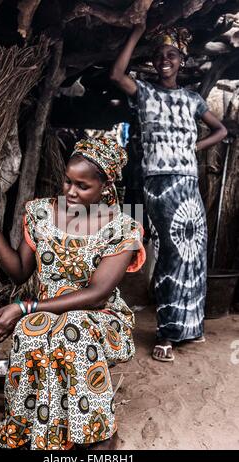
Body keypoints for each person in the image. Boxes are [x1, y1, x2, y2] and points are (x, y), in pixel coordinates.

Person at [0, 137, 146, 450]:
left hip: (99, 315)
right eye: (68, 181)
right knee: (31, 331)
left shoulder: (122, 227)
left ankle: (100, 436)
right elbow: (19, 271)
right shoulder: (41, 213)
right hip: (44, 310)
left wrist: (25, 307)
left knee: (71, 332)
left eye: (82, 186)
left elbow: (97, 294)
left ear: (105, 188)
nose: (70, 191)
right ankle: (34, 430)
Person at [110, 25, 227, 362]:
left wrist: (193, 147)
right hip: (159, 184)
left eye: (171, 55)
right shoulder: (145, 93)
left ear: (182, 60)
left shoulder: (193, 99)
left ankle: (189, 326)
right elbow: (117, 74)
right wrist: (135, 32)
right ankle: (166, 331)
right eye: (159, 55)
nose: (164, 60)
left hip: (188, 183)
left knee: (192, 252)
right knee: (170, 252)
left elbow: (220, 130)